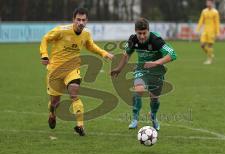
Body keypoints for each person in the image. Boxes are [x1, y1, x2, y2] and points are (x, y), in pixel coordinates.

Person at [39, 7, 113, 136]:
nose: (81, 23)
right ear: (73, 20)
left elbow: (90, 45)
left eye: (83, 20)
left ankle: (80, 126)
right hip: (55, 70)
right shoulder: (61, 31)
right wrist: (44, 54)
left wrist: (104, 53)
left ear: (87, 21)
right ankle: (52, 114)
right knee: (55, 103)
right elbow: (45, 38)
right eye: (78, 19)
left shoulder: (86, 34)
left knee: (74, 93)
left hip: (72, 69)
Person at [110, 18, 177, 131]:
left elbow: (173, 54)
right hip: (141, 69)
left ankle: (153, 116)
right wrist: (119, 68)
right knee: (139, 89)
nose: (141, 36)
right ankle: (135, 118)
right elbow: (126, 55)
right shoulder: (132, 40)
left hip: (156, 71)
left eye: (144, 33)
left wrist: (155, 62)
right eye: (139, 33)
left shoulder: (156, 40)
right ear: (135, 31)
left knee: (154, 98)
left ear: (148, 31)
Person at [196, 0, 220, 65]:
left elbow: (217, 23)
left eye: (209, 2)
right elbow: (201, 21)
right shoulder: (204, 11)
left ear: (212, 3)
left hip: (212, 31)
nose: (208, 3)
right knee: (202, 45)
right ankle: (211, 54)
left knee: (210, 45)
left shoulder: (215, 12)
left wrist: (217, 32)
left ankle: (209, 59)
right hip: (205, 31)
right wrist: (197, 29)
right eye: (207, 2)